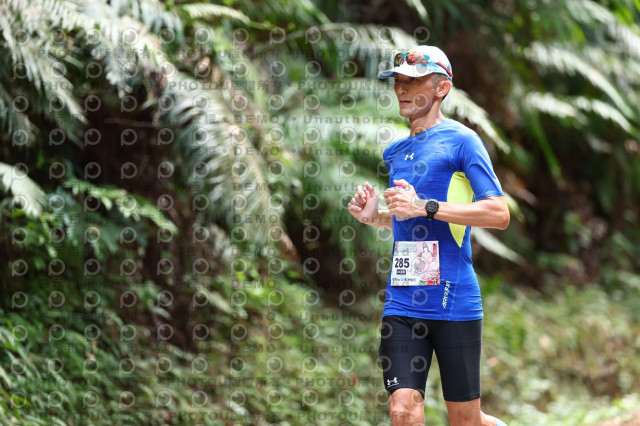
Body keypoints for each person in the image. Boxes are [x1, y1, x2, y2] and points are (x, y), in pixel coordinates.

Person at [348, 45, 510, 426]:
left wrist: (425, 206)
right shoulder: (395, 152)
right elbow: (409, 222)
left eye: (414, 81)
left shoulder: (463, 141)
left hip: (453, 299)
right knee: (402, 411)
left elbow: (499, 213)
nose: (402, 89)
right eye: (398, 81)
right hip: (403, 301)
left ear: (441, 88)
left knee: (465, 420)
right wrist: (376, 217)